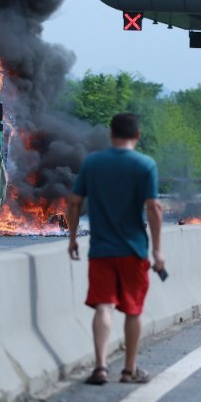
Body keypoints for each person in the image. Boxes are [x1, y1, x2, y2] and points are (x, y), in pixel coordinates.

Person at [68, 112, 165, 385]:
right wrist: (158, 250)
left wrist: (72, 238)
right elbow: (154, 208)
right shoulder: (145, 165)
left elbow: (74, 203)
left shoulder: (93, 163)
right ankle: (129, 369)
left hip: (100, 250)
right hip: (134, 250)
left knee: (104, 306)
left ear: (111, 134)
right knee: (133, 310)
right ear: (137, 135)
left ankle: (100, 367)